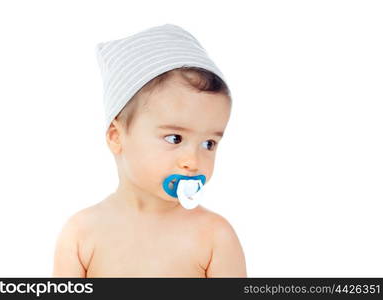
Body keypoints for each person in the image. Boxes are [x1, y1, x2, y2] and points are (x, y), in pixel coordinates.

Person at [52, 23, 247, 277]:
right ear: (116, 137)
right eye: (175, 138)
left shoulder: (215, 238)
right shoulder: (81, 234)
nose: (193, 160)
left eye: (209, 143)